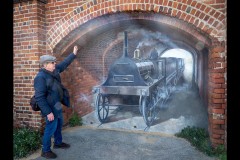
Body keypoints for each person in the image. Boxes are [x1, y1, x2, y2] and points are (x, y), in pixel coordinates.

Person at [34, 46, 79, 159]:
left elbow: (64, 64)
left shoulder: (54, 71)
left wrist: (73, 54)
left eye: (54, 62)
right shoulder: (40, 77)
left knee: (59, 124)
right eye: (52, 62)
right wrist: (48, 112)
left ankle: (58, 143)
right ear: (45, 65)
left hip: (57, 105)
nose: (55, 64)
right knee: (50, 128)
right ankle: (45, 150)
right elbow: (40, 97)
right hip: (49, 108)